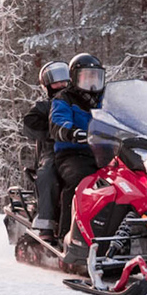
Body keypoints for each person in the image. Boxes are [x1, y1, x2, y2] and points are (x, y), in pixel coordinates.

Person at [50, 53, 106, 238]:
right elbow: (58, 122)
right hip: (73, 153)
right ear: (75, 77)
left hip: (105, 153)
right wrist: (72, 132)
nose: (92, 82)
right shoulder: (64, 98)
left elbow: (124, 117)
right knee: (80, 181)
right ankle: (67, 235)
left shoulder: (106, 99)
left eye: (95, 77)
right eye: (87, 76)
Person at [23, 61, 70, 242]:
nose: (61, 86)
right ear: (48, 86)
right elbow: (29, 124)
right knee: (48, 173)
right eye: (56, 83)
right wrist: (53, 132)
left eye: (64, 82)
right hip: (51, 152)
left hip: (82, 149)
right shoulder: (44, 106)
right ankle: (47, 224)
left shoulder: (79, 103)